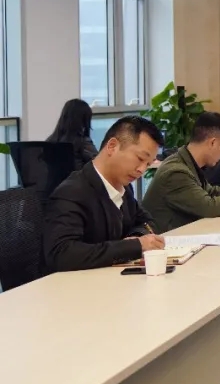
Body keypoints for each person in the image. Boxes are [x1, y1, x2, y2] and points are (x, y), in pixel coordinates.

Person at [43, 116, 166, 273]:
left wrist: (137, 237)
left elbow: (147, 222)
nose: (142, 169)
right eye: (140, 158)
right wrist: (133, 246)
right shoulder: (72, 192)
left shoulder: (124, 188)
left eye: (148, 164)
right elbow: (61, 254)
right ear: (112, 146)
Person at [45, 98, 98, 170]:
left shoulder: (49, 141)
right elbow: (101, 164)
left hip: (55, 178)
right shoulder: (83, 142)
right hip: (78, 177)